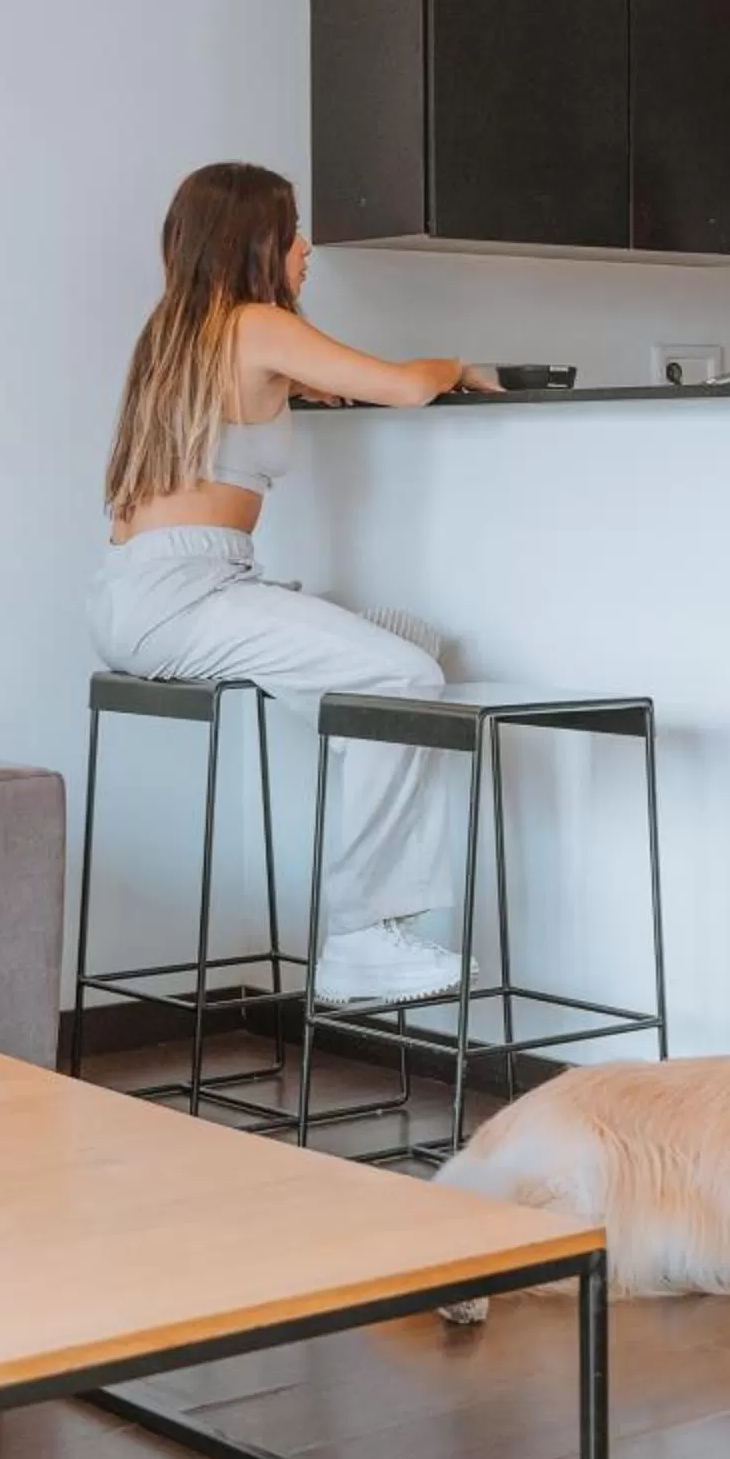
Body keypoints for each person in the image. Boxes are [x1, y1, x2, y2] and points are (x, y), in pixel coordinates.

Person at [92, 162, 495, 1003]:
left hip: (150, 592)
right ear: (254, 242)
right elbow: (404, 386)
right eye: (293, 228)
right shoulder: (257, 323)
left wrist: (311, 382)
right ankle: (359, 933)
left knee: (408, 646)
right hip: (189, 596)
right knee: (405, 678)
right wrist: (456, 362)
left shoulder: (180, 330)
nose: (306, 246)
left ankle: (366, 811)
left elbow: (294, 387)